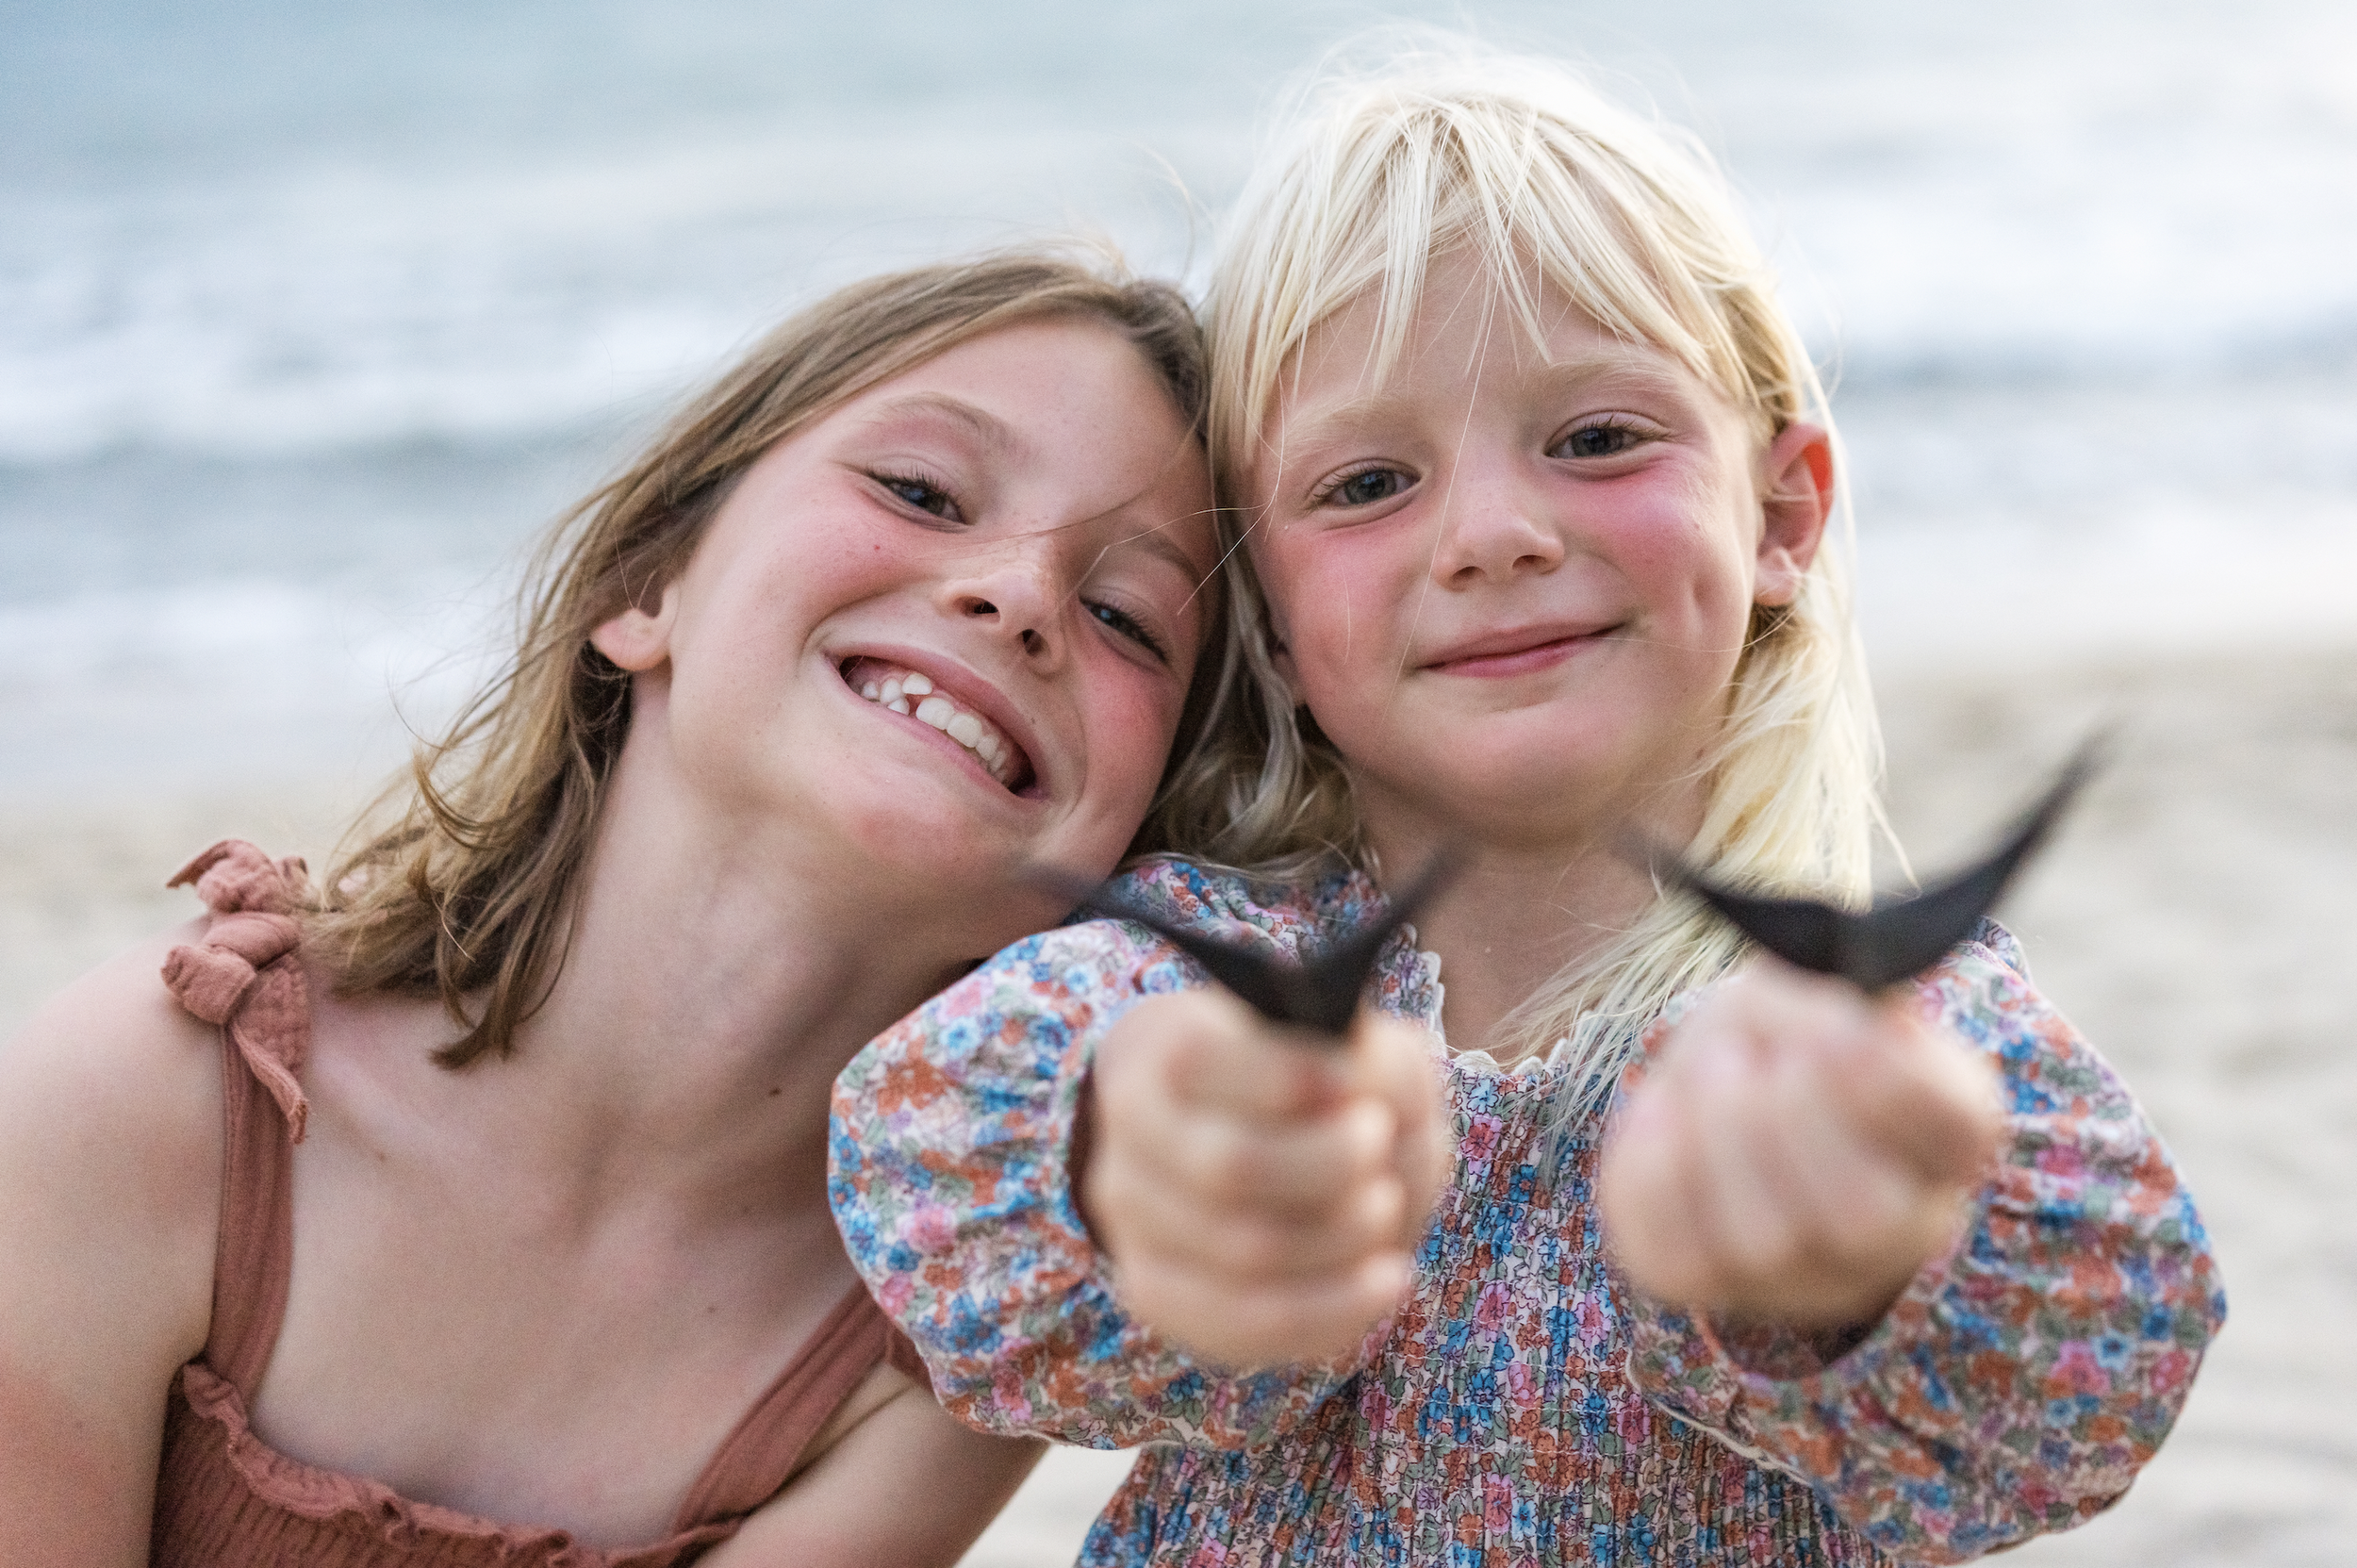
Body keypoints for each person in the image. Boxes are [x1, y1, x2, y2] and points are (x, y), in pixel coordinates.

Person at [832, 48, 2225, 1565]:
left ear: (1783, 512)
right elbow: (952, 1152)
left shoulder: (1881, 1021)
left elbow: (2088, 1393)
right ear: (1275, 624)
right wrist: (1156, 1157)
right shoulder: (1202, 965)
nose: (1494, 533)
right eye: (1367, 482)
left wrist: (1855, 1265)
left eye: (1599, 438)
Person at [0, 250, 1230, 1566]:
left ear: (1130, 842)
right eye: (921, 490)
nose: (1025, 596)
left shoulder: (939, 1340)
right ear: (646, 586)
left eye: (1127, 616)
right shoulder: (152, 1098)